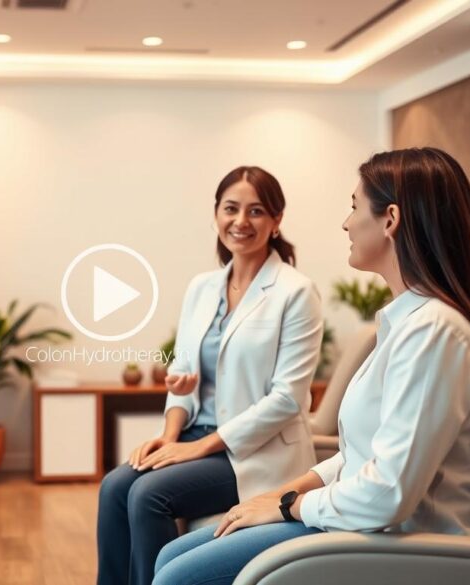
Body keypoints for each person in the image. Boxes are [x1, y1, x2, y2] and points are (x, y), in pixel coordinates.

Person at [152, 147, 470, 585]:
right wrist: (284, 492)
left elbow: (389, 492)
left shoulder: (435, 333)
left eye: (353, 206)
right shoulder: (408, 323)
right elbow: (359, 457)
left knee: (178, 576)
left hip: (402, 545)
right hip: (367, 526)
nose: (346, 223)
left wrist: (289, 505)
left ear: (390, 219)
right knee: (172, 555)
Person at [96, 166, 324, 585]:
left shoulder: (296, 291)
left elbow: (288, 398)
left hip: (253, 452)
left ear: (276, 221)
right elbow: (183, 374)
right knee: (114, 488)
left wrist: (199, 447)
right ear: (216, 214)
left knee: (148, 495)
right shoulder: (202, 287)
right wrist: (170, 435)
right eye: (231, 209)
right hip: (193, 437)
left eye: (256, 211)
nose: (241, 222)